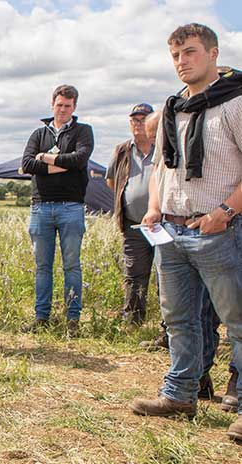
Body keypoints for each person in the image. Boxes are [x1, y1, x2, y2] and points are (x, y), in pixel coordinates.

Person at [128, 23, 242, 443]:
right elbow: (161, 166)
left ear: (213, 54)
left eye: (190, 52)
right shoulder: (174, 107)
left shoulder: (236, 102)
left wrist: (225, 211)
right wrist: (155, 207)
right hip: (171, 230)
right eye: (175, 55)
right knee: (179, 319)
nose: (182, 61)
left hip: (218, 228)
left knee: (236, 319)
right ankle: (180, 394)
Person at [21, 84, 94, 337]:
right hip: (41, 206)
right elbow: (27, 164)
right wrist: (62, 163)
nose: (63, 110)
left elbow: (80, 160)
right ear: (52, 104)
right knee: (43, 266)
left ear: (74, 107)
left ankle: (72, 320)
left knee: (72, 265)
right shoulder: (38, 133)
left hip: (71, 207)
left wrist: (47, 158)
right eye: (59, 105)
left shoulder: (83, 131)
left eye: (68, 106)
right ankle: (42, 318)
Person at [106, 104, 156, 325]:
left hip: (163, 224)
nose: (137, 124)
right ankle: (133, 322)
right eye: (134, 120)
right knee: (134, 274)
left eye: (143, 119)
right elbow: (111, 180)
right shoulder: (122, 150)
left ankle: (169, 328)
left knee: (168, 277)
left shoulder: (164, 148)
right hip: (133, 224)